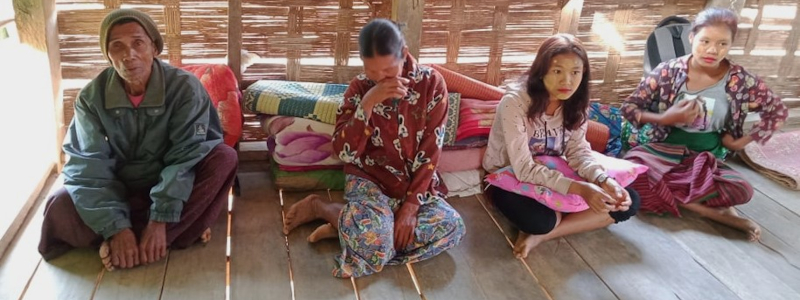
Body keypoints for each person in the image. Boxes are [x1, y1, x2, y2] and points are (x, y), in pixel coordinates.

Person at [38, 9, 238, 271]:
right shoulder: (91, 98)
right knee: (59, 205)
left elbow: (188, 157)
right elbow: (87, 165)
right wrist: (116, 228)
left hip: (172, 184)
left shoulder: (184, 88)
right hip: (120, 187)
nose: (128, 55)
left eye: (138, 43)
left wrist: (160, 219)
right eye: (117, 46)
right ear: (108, 55)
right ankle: (160, 235)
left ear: (154, 48)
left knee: (224, 159)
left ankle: (149, 236)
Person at [282, 19, 465, 278]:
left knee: (453, 227)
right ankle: (323, 209)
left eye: (388, 70)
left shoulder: (432, 84)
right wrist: (367, 104)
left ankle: (350, 231)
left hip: (414, 185)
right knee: (377, 238)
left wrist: (411, 207)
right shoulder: (360, 88)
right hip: (370, 181)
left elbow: (430, 152)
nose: (379, 78)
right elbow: (344, 152)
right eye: (372, 71)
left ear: (404, 54)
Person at [621, 8, 787, 241]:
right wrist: (664, 118)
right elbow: (629, 108)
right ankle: (718, 214)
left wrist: (741, 141)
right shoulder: (668, 71)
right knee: (631, 177)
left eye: (722, 44)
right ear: (691, 38)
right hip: (661, 152)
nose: (712, 50)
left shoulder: (740, 80)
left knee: (743, 190)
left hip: (705, 158)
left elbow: (776, 111)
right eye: (705, 41)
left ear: (731, 44)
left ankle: (696, 201)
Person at [482, 34, 640, 259]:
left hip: (555, 171)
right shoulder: (515, 103)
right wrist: (581, 189)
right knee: (541, 220)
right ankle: (552, 224)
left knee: (627, 201)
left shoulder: (576, 103)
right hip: (509, 177)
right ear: (541, 71)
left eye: (575, 72)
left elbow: (577, 152)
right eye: (557, 71)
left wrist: (603, 181)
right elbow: (524, 169)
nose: (567, 81)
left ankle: (542, 236)